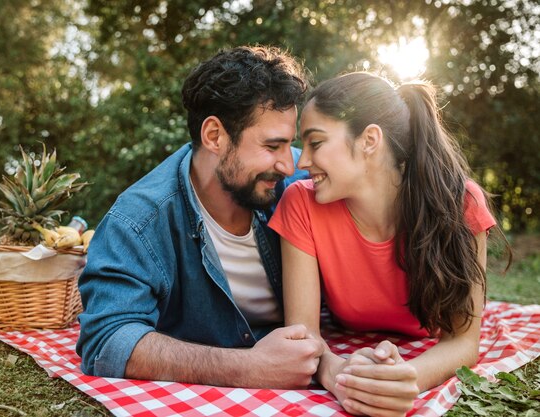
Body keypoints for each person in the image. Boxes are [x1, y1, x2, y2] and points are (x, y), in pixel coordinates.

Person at [76, 45, 330, 388]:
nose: (290, 164)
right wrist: (247, 368)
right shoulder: (138, 221)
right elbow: (107, 341)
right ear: (214, 136)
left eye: (289, 144)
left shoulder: (304, 183)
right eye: (272, 147)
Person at [269, 72, 508, 416]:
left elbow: (463, 340)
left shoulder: (459, 203)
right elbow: (305, 336)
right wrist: (338, 374)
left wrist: (407, 378)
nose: (301, 162)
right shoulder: (300, 203)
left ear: (369, 140)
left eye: (316, 143)